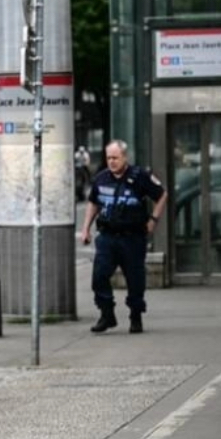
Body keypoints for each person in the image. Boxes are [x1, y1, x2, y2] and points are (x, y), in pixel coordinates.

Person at [80, 140, 167, 334]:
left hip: (132, 237)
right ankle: (107, 314)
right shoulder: (101, 178)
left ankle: (135, 315)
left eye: (115, 158)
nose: (111, 162)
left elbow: (162, 195)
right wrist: (85, 228)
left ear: (124, 157)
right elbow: (93, 203)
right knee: (99, 277)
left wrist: (153, 219)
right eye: (108, 158)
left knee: (135, 280)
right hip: (107, 237)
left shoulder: (140, 177)